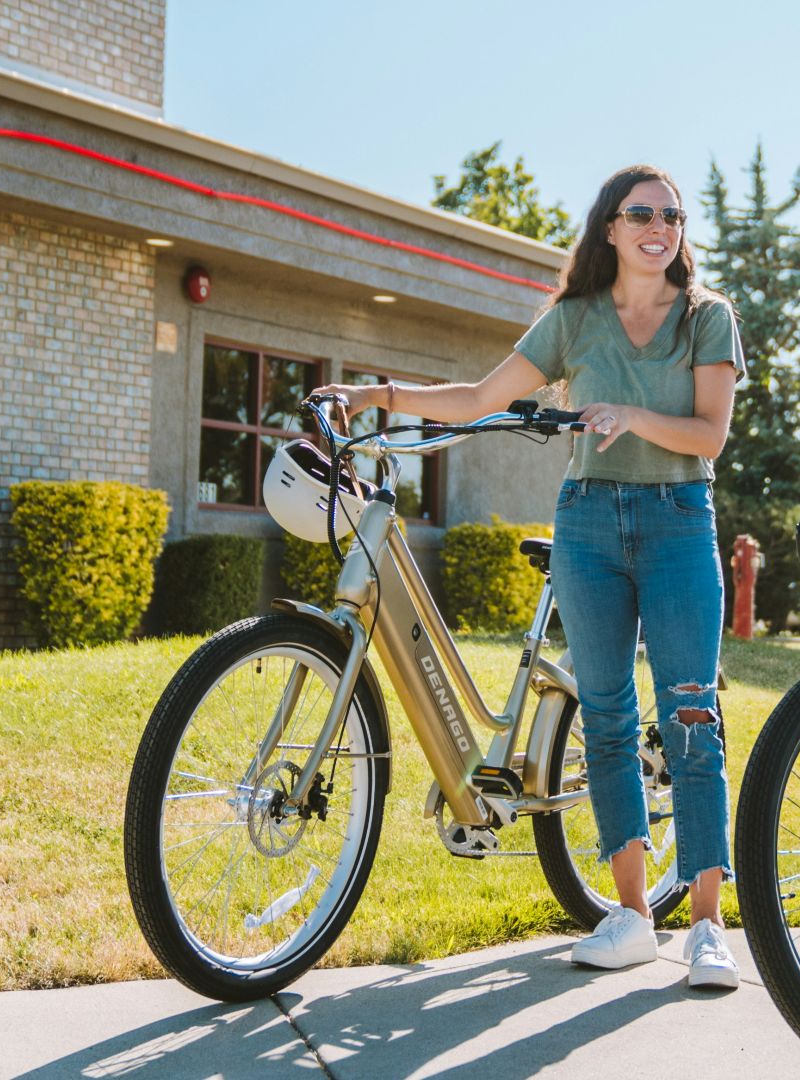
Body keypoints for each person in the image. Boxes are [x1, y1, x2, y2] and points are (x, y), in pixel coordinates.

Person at [311, 164, 746, 991]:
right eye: (642, 213)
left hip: (678, 522)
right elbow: (479, 395)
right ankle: (630, 916)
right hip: (588, 523)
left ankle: (708, 925)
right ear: (610, 229)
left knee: (692, 713)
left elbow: (710, 436)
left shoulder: (707, 317)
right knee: (609, 715)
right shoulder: (573, 321)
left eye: (673, 216)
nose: (660, 226)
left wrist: (630, 416)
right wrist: (378, 394)